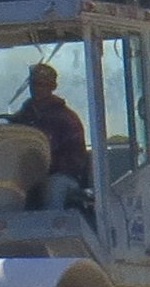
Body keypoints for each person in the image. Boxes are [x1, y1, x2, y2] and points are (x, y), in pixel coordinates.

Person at [7, 61, 90, 211]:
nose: (37, 89)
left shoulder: (67, 119)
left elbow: (76, 160)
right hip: (24, 176)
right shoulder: (22, 117)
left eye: (42, 84)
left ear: (52, 87)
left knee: (55, 187)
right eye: (34, 84)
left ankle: (54, 230)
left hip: (60, 175)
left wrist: (44, 170)